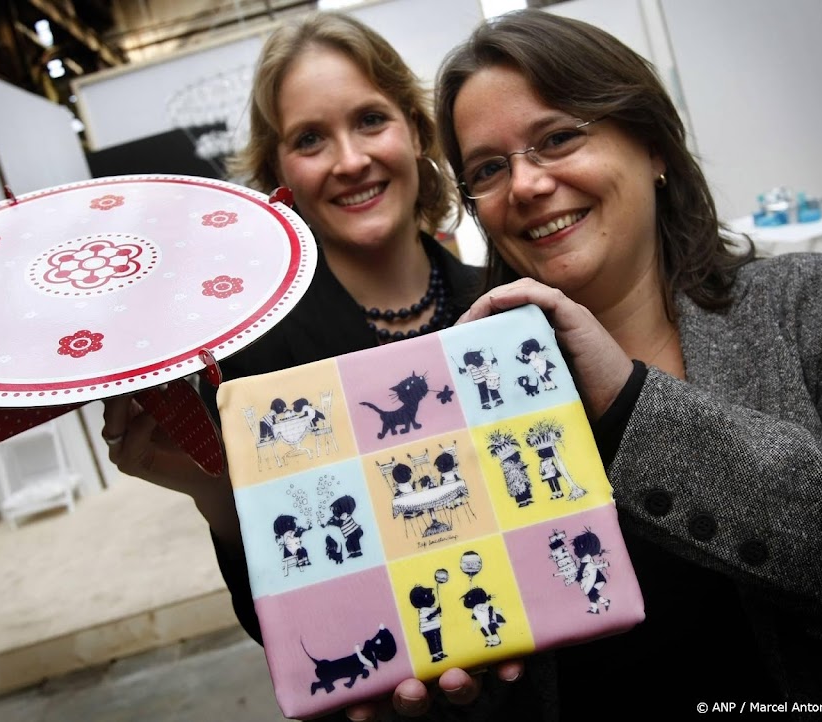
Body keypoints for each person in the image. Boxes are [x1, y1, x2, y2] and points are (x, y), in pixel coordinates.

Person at [435, 8, 822, 719]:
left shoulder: (820, 305)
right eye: (488, 168)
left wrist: (631, 403)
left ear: (654, 147)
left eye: (558, 138)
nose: (526, 184)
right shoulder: (469, 392)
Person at [101, 10, 523, 722]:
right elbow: (277, 617)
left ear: (416, 131)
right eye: (309, 139)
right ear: (280, 174)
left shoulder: (505, 307)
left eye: (370, 120)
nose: (350, 160)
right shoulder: (252, 364)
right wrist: (213, 493)